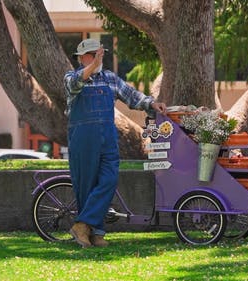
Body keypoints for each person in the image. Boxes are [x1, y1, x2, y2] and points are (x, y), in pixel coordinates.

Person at [64, 38, 166, 248]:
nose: (98, 59)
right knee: (86, 185)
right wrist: (93, 66)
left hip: (108, 138)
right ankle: (96, 233)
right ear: (83, 58)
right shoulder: (72, 78)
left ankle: (83, 225)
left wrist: (153, 104)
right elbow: (75, 83)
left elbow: (131, 96)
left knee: (109, 179)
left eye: (99, 55)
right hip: (83, 139)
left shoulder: (110, 78)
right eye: (93, 55)